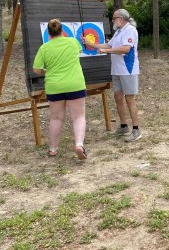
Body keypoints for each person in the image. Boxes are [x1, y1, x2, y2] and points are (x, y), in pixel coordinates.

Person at [33, 19, 88, 159]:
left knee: (56, 118)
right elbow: (81, 49)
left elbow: (36, 70)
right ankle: (79, 145)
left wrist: (48, 71)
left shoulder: (44, 48)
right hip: (75, 84)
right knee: (78, 117)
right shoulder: (73, 42)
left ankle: (53, 149)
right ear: (62, 30)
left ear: (48, 33)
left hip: (54, 86)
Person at [84, 9, 141, 142]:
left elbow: (126, 49)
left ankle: (136, 130)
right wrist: (90, 44)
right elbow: (108, 44)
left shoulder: (130, 30)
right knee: (118, 97)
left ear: (121, 18)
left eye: (114, 18)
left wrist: (106, 50)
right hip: (117, 70)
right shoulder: (119, 32)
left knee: (129, 99)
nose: (112, 20)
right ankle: (123, 126)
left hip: (128, 70)